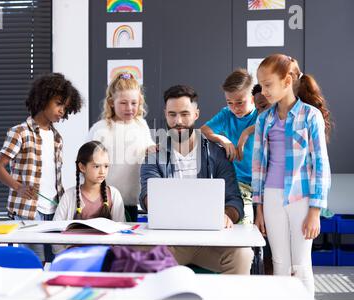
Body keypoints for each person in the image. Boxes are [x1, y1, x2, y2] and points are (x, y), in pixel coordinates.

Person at [140, 85, 253, 275]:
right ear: (165, 114)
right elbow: (146, 197)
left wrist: (227, 214)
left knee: (243, 255)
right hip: (170, 243)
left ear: (196, 114)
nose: (178, 121)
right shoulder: (154, 155)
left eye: (185, 114)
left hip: (209, 242)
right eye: (172, 114)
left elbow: (235, 201)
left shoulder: (217, 154)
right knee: (131, 254)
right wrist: (155, 204)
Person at [253, 54, 332, 296]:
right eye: (261, 85)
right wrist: (259, 207)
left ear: (287, 81)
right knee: (279, 264)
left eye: (268, 85)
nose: (263, 91)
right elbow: (258, 165)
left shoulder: (310, 116)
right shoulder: (264, 119)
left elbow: (321, 164)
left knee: (300, 265)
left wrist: (315, 211)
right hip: (271, 198)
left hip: (302, 198)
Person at [0, 72, 83, 263]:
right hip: (29, 211)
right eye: (58, 104)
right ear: (43, 99)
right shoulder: (20, 133)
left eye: (65, 108)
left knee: (57, 258)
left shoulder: (57, 137)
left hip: (54, 209)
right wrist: (19, 187)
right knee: (36, 262)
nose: (62, 111)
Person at [88, 73, 155, 222]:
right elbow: (86, 165)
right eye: (123, 103)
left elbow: (147, 146)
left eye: (134, 103)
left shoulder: (141, 125)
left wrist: (152, 148)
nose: (129, 108)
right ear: (111, 102)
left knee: (128, 243)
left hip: (132, 201)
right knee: (107, 243)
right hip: (105, 201)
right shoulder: (100, 129)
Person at [200, 69, 258, 224]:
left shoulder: (262, 112)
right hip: (239, 184)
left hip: (263, 183)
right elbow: (204, 131)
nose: (235, 108)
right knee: (243, 223)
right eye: (229, 103)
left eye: (240, 102)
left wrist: (246, 132)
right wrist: (222, 139)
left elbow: (271, 124)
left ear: (253, 98)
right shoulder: (227, 114)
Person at [53, 141, 126, 254]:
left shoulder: (114, 194)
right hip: (73, 258)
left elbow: (121, 233)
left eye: (106, 166)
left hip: (105, 257)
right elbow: (55, 234)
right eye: (96, 166)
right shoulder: (69, 196)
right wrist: (64, 256)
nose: (102, 171)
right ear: (82, 167)